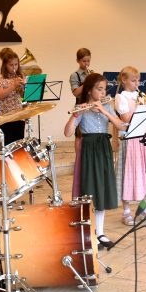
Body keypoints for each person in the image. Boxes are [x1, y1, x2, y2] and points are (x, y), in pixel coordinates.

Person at [64, 72, 125, 249]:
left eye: (104, 89)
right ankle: (89, 232)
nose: (103, 92)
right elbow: (68, 132)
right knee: (90, 191)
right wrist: (76, 114)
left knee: (102, 190)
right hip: (89, 150)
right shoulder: (81, 108)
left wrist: (104, 110)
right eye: (99, 89)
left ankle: (100, 232)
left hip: (103, 149)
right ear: (90, 91)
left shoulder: (106, 105)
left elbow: (121, 126)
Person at [114, 66, 146, 225]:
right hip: (130, 139)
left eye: (138, 80)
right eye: (133, 80)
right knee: (128, 173)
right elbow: (126, 118)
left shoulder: (140, 95)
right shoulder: (121, 97)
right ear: (124, 80)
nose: (137, 83)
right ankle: (126, 212)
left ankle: (145, 209)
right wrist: (142, 108)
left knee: (145, 174)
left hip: (143, 137)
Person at [69, 47, 92, 199]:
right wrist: (88, 82)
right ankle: (79, 163)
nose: (86, 63)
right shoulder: (75, 75)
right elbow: (76, 92)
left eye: (88, 61)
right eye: (84, 61)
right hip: (80, 106)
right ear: (78, 61)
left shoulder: (91, 72)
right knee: (79, 136)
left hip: (91, 108)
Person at [0, 48, 26, 144]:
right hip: (6, 116)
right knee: (7, 144)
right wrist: (13, 85)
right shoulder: (0, 78)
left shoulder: (20, 76)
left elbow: (23, 97)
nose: (14, 67)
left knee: (19, 144)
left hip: (19, 115)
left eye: (16, 64)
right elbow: (0, 95)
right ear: (5, 65)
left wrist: (24, 87)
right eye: (11, 65)